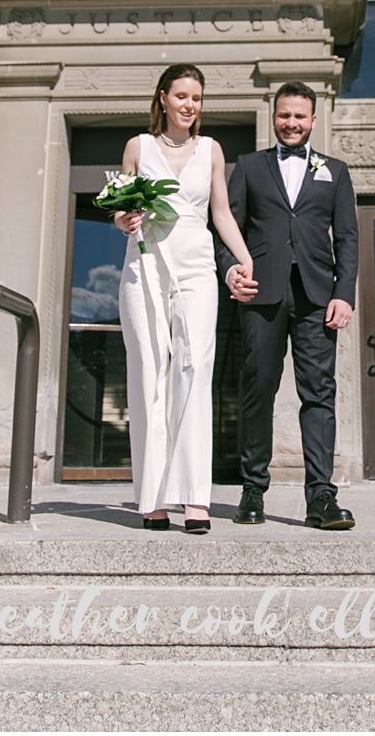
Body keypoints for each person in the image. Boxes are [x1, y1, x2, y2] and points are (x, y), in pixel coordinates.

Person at [112, 64, 256, 532]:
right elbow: (120, 210)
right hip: (145, 263)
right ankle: (152, 498)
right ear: (162, 98)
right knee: (150, 374)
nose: (189, 105)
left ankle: (196, 499)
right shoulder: (139, 146)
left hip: (196, 266)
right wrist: (123, 220)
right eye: (181, 96)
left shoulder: (212, 150)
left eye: (196, 97)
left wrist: (244, 258)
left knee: (194, 371)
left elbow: (222, 214)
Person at [221, 82, 359, 530]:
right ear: (273, 116)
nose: (291, 123)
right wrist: (231, 270)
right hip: (262, 291)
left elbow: (348, 238)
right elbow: (225, 228)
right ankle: (252, 490)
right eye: (284, 115)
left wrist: (344, 292)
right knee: (258, 389)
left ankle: (321, 496)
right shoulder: (248, 166)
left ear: (313, 120)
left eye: (300, 116)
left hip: (318, 297)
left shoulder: (334, 171)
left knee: (319, 393)